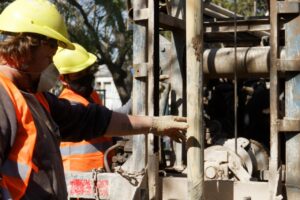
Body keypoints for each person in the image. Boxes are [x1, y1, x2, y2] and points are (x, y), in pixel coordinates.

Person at [0, 0, 188, 199]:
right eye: (49, 57)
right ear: (26, 49)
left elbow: (92, 119)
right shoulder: (4, 97)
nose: (52, 67)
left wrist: (155, 124)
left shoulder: (36, 98)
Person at [53, 43, 114, 172]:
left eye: (87, 70)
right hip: (78, 175)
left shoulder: (92, 95)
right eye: (78, 74)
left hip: (101, 170)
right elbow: (105, 123)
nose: (85, 76)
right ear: (63, 79)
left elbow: (109, 118)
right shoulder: (69, 103)